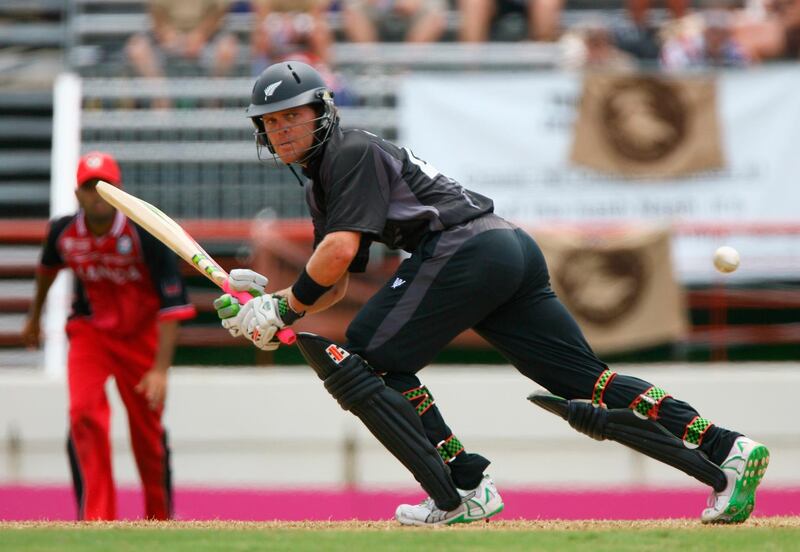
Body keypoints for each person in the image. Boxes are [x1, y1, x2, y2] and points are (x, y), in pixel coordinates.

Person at [213, 61, 769, 526]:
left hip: (463, 249)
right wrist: (268, 305)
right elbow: (332, 280)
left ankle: (463, 485)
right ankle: (726, 450)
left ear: (322, 112)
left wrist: (284, 308)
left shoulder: (347, 154)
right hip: (507, 246)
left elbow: (333, 257)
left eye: (294, 115)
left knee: (366, 353)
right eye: (272, 122)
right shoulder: (330, 176)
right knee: (584, 380)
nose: (283, 129)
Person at [22, 152, 196, 521]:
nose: (97, 195)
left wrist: (161, 370)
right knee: (83, 414)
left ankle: (159, 521)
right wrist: (34, 318)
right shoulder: (63, 232)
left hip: (141, 338)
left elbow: (173, 304)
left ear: (120, 192)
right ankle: (97, 520)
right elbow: (46, 270)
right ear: (77, 193)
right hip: (91, 334)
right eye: (89, 187)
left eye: (106, 187)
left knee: (147, 435)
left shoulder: (145, 233)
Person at [125, 0, 239, 107]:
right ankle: (162, 103)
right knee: (137, 48)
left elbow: (219, 11)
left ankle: (213, 107)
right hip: (167, 35)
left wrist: (200, 36)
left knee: (226, 49)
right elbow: (155, 11)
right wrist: (167, 35)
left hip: (207, 35)